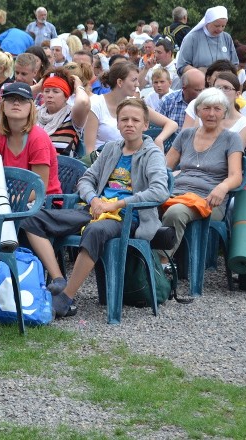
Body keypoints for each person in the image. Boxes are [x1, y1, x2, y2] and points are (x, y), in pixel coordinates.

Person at [19, 98, 170, 317]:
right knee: (32, 219)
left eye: (135, 120)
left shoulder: (152, 153)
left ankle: (65, 297)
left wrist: (118, 203)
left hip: (128, 217)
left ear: (145, 125)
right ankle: (59, 279)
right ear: (117, 124)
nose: (129, 124)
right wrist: (94, 200)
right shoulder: (110, 149)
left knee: (95, 231)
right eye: (124, 119)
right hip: (95, 210)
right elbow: (86, 180)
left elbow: (160, 190)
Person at [162, 88, 244, 262]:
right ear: (198, 111)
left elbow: (236, 175)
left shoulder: (231, 139)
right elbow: (164, 167)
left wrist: (223, 187)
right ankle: (138, 262)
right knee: (144, 208)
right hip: (176, 193)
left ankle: (159, 265)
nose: (211, 114)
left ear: (225, 113)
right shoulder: (186, 135)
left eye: (217, 109)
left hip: (209, 200)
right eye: (206, 108)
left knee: (175, 213)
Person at [0, 82, 61, 198]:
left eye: (22, 99)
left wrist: (8, 200)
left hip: (45, 202)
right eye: (11, 98)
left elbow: (39, 189)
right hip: (8, 196)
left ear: (31, 107)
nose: (16, 102)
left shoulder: (38, 138)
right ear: (2, 106)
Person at [87, 61, 178, 152]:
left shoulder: (133, 102)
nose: (138, 84)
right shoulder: (96, 104)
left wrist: (159, 139)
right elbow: (89, 151)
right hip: (102, 160)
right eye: (134, 80)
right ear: (120, 82)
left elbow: (172, 124)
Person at [183, 71, 246, 148]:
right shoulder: (201, 111)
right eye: (217, 88)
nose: (221, 92)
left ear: (237, 94)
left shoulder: (245, 124)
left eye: (226, 88)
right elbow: (187, 141)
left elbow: (234, 152)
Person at [36, 68, 89, 157]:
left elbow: (83, 102)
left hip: (62, 169)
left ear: (66, 97)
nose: (50, 95)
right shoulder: (34, 113)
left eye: (55, 91)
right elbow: (10, 99)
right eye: (46, 91)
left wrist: (79, 87)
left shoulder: (72, 116)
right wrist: (38, 86)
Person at [175, 6, 239, 74]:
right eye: (217, 26)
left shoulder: (227, 38)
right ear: (208, 23)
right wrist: (199, 72)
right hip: (199, 82)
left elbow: (234, 64)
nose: (220, 29)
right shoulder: (192, 38)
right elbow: (182, 66)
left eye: (223, 26)